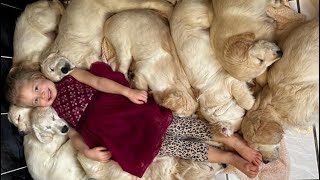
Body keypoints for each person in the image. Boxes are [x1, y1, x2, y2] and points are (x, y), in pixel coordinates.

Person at [5, 62, 262, 178]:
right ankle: (229, 158)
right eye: (34, 101)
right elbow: (72, 135)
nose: (42, 98)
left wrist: (127, 91)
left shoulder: (71, 77)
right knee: (177, 147)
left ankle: (234, 142)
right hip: (117, 136)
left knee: (183, 126)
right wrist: (87, 151)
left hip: (122, 110)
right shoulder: (54, 114)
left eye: (37, 88)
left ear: (40, 75)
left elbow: (99, 82)